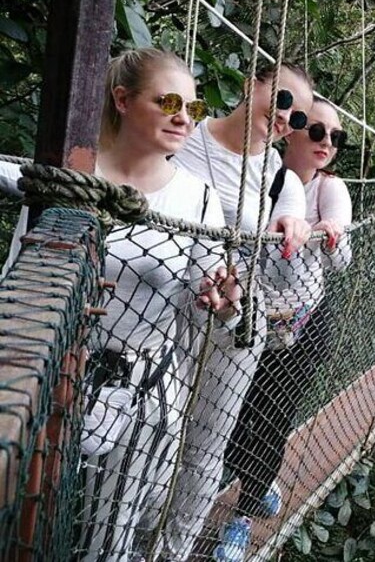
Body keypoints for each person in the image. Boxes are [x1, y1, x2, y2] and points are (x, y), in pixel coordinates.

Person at [40, 48, 238, 560]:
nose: (183, 117)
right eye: (169, 101)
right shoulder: (69, 175)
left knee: (109, 537)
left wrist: (221, 303)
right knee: (35, 516)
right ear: (122, 99)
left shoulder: (197, 200)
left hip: (145, 388)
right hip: (56, 373)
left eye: (193, 109)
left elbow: (205, 300)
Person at [149, 61, 314, 561]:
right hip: (163, 303)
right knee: (155, 435)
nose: (286, 119)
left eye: (299, 118)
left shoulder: (279, 177)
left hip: (235, 323)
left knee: (204, 448)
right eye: (282, 100)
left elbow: (292, 217)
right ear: (251, 85)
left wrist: (292, 222)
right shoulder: (188, 128)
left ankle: (170, 553)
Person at [222, 96, 352, 559]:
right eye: (317, 131)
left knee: (273, 420)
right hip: (245, 319)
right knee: (235, 417)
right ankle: (253, 474)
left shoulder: (329, 189)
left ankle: (243, 513)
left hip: (303, 327)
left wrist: (328, 232)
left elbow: (342, 259)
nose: (327, 143)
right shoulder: (257, 177)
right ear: (292, 128)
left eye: (336, 137)